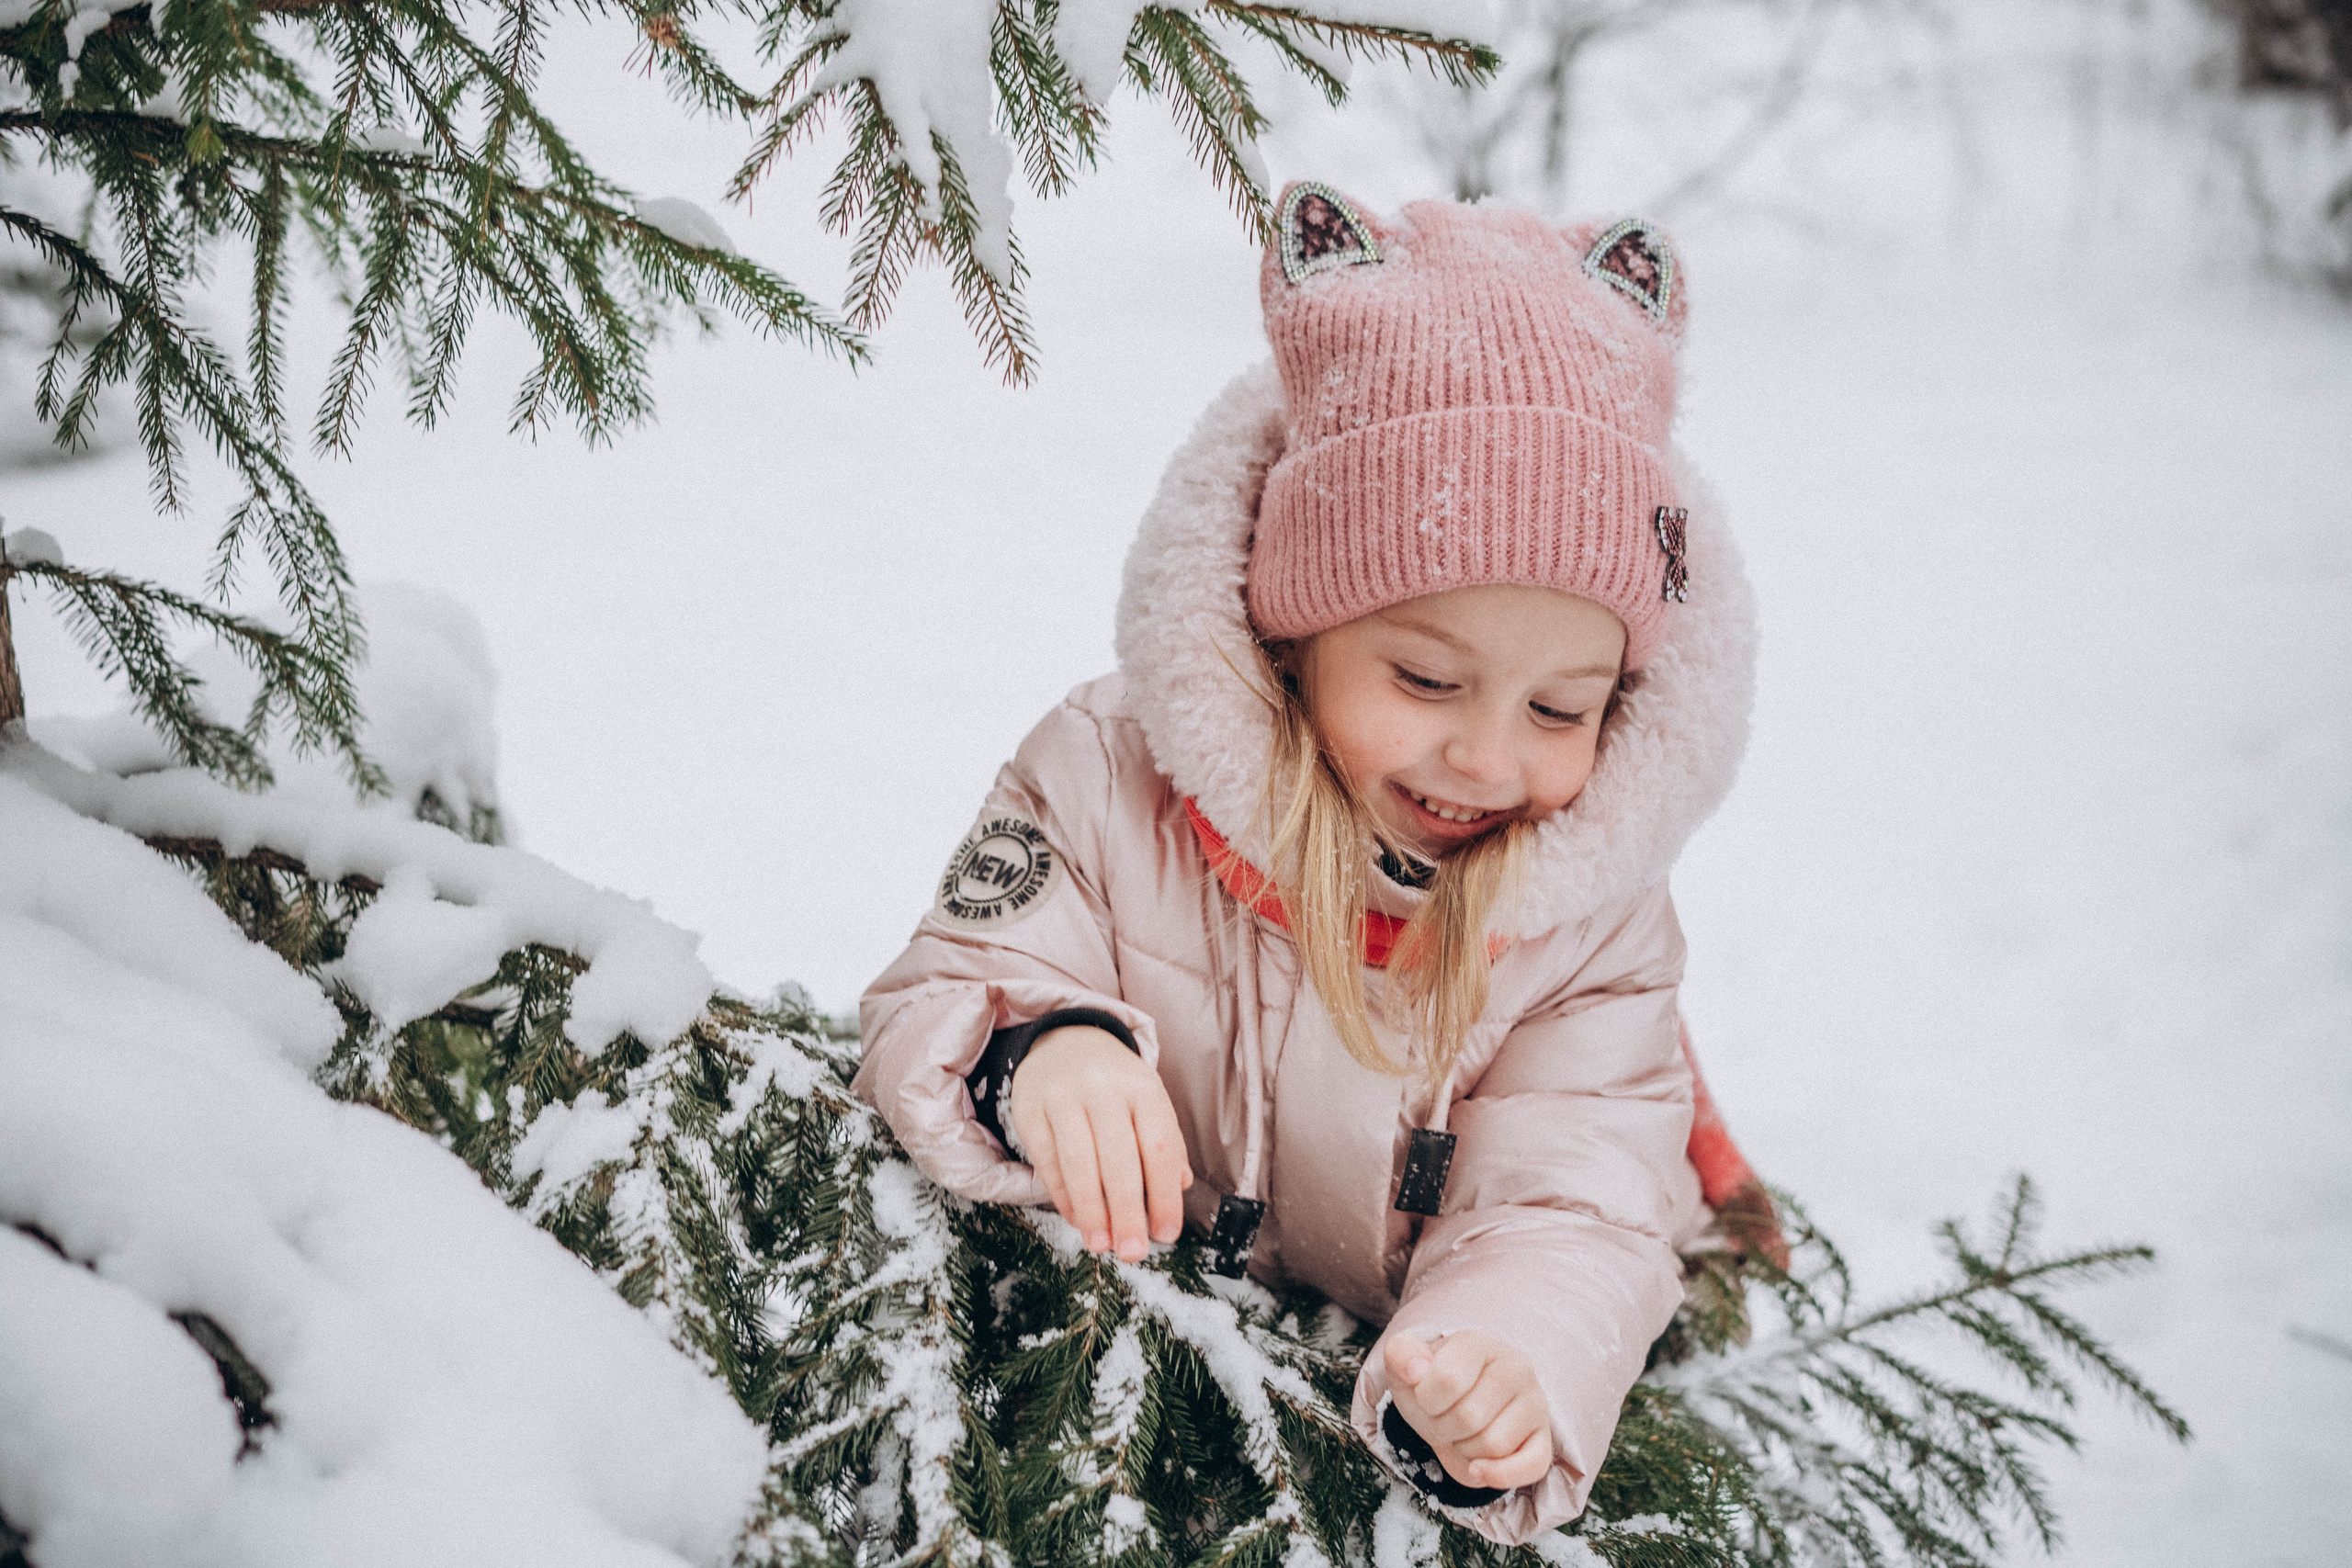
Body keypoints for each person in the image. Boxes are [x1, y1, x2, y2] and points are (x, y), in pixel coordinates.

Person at [855, 182, 1778, 1544]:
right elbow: (962, 969)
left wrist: (1499, 1364)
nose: (1481, 757)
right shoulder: (1112, 773)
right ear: (1294, 634)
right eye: (1425, 677)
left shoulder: (1590, 924)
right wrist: (1039, 1050)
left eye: (1557, 711)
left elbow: (1577, 1195)